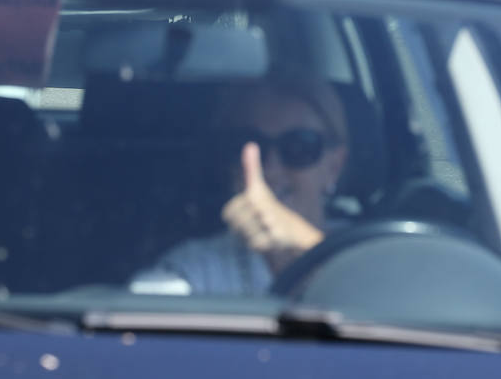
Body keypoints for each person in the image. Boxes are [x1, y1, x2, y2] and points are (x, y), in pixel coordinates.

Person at [132, 78, 349, 296]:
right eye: (249, 143)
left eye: (299, 147)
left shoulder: (371, 246)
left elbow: (379, 297)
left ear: (334, 167)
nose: (271, 170)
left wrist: (306, 248)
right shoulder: (200, 270)